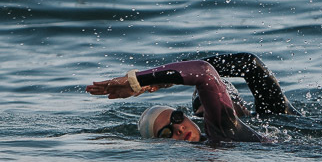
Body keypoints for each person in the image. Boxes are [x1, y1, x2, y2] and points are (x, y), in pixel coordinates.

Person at [86, 52, 298, 143]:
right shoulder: (214, 137)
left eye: (176, 118)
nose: (177, 129)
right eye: (166, 132)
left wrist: (147, 80)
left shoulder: (229, 126)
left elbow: (246, 64)